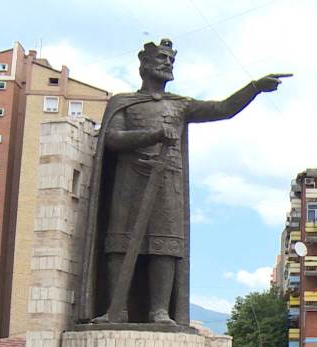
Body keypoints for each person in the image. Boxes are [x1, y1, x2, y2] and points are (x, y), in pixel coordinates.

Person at [79, 39, 287, 325]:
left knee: (166, 245)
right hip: (129, 181)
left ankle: (160, 311)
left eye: (171, 60)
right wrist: (153, 134)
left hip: (167, 180)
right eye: (162, 59)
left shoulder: (180, 105)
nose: (167, 64)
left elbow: (222, 109)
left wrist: (254, 88)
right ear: (144, 65)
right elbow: (112, 139)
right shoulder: (122, 102)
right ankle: (118, 310)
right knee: (119, 243)